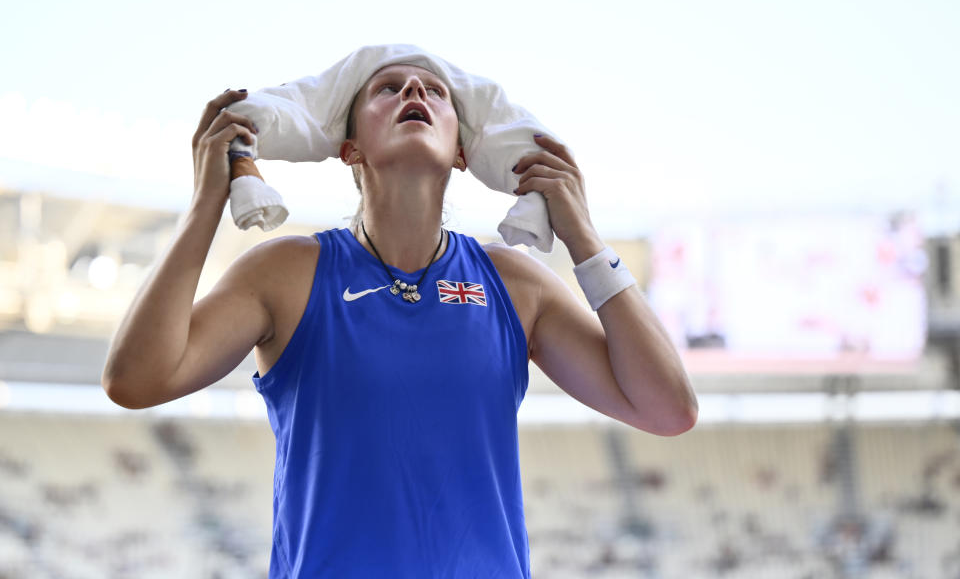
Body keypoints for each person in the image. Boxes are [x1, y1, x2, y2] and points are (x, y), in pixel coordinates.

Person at [102, 63, 698, 577]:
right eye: (387, 88)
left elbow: (669, 410)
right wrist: (207, 201)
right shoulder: (285, 272)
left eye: (435, 91)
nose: (414, 89)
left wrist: (586, 241)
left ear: (462, 152)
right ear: (349, 146)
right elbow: (136, 381)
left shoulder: (515, 284)